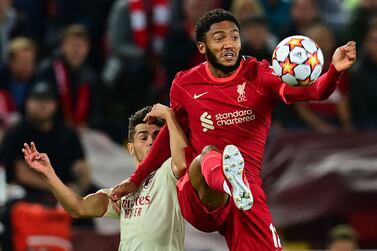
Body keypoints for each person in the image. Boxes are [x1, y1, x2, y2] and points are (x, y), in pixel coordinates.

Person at [110, 8, 356, 251]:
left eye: (234, 37)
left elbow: (314, 91)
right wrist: (136, 179)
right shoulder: (185, 84)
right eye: (219, 38)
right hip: (199, 191)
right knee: (208, 154)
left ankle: (236, 186)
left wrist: (334, 71)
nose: (229, 44)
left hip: (246, 197)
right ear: (202, 47)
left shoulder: (260, 76)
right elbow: (167, 136)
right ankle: (229, 181)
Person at [22, 105, 187, 251]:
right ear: (131, 148)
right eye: (143, 137)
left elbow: (182, 164)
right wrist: (48, 174)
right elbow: (78, 208)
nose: (151, 142)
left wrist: (169, 115)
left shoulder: (167, 173)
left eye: (157, 136)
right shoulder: (125, 190)